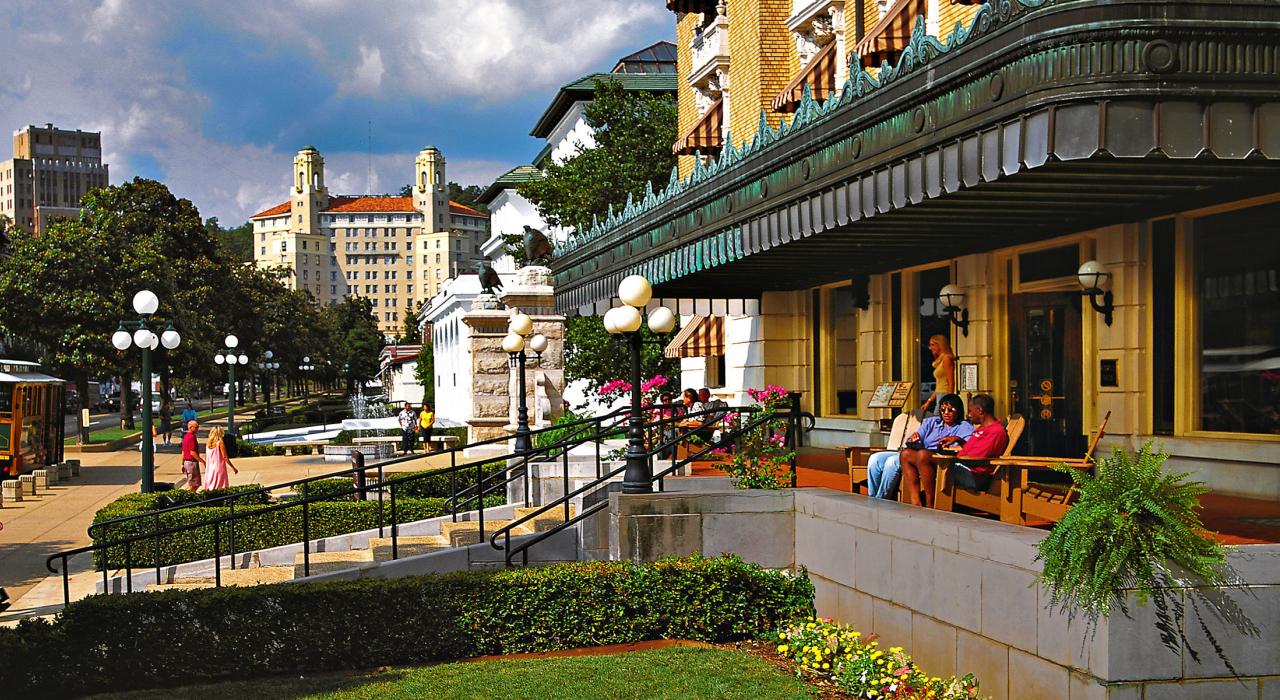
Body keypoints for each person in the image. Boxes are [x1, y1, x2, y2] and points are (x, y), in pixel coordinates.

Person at [899, 394, 1009, 507]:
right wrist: (959, 440)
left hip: (973, 476)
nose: (969, 415)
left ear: (980, 410)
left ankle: (930, 503)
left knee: (924, 455)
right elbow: (970, 450)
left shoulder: (995, 432)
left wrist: (947, 455)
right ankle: (915, 501)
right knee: (906, 454)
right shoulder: (982, 428)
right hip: (961, 465)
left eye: (970, 411)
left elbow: (975, 458)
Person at [866, 394, 972, 500]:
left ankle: (881, 498)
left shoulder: (964, 427)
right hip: (917, 452)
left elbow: (969, 447)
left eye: (950, 410)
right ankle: (873, 496)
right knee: (875, 458)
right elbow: (917, 436)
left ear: (958, 410)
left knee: (892, 462)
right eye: (943, 410)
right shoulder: (932, 422)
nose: (946, 413)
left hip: (935, 459)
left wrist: (955, 443)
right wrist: (914, 438)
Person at [920, 334, 956, 413]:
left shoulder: (947, 359)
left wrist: (949, 401)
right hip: (940, 395)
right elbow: (938, 387)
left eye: (933, 345)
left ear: (940, 344)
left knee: (938, 419)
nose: (930, 348)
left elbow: (951, 382)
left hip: (945, 394)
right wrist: (928, 402)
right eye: (930, 345)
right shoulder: (940, 360)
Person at [201, 425, 238, 490]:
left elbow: (206, 457)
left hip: (210, 469)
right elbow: (225, 456)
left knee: (211, 487)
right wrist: (233, 467)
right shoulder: (220, 443)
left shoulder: (208, 443)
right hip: (219, 468)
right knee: (221, 487)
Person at [179, 419, 205, 492]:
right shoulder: (191, 437)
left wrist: (182, 464)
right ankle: (186, 498)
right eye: (196, 427)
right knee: (194, 485)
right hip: (192, 463)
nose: (197, 429)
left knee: (193, 484)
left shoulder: (186, 436)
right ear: (190, 427)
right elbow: (192, 452)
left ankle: (189, 497)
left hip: (187, 463)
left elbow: (183, 452)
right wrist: (203, 461)